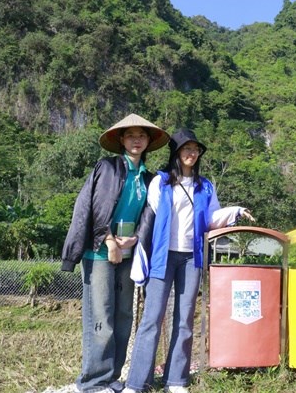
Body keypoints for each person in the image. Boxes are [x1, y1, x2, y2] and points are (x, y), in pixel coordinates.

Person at [124, 128, 255, 393]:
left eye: (195, 149)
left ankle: (176, 380)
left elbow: (212, 218)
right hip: (163, 255)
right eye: (186, 148)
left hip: (191, 257)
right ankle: (137, 383)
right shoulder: (160, 182)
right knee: (152, 318)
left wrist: (236, 211)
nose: (191, 153)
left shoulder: (205, 185)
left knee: (184, 320)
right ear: (176, 152)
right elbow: (154, 215)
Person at [61, 113, 170, 393]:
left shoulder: (148, 178)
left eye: (142, 135)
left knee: (123, 316)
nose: (137, 140)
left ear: (148, 141)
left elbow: (149, 215)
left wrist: (135, 240)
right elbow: (96, 206)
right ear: (121, 139)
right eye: (131, 135)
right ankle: (93, 381)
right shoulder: (108, 168)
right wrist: (108, 240)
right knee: (102, 317)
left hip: (129, 253)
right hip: (100, 252)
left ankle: (111, 377)